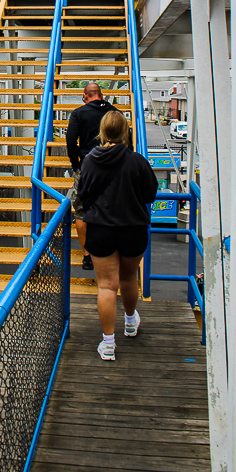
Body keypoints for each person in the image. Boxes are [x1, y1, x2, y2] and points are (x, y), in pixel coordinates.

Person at [78, 110, 157, 362]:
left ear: (102, 131)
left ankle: (109, 343)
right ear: (125, 131)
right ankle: (131, 323)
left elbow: (83, 194)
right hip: (133, 229)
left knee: (106, 285)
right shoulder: (137, 161)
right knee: (129, 278)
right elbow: (150, 194)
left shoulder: (89, 160)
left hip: (101, 229)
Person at [66, 82, 129, 271]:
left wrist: (76, 165)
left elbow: (70, 141)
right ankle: (113, 250)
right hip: (115, 167)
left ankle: (87, 256)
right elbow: (128, 139)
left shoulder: (78, 113)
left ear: (85, 95)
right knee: (114, 207)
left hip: (87, 167)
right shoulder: (116, 113)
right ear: (101, 95)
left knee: (81, 211)